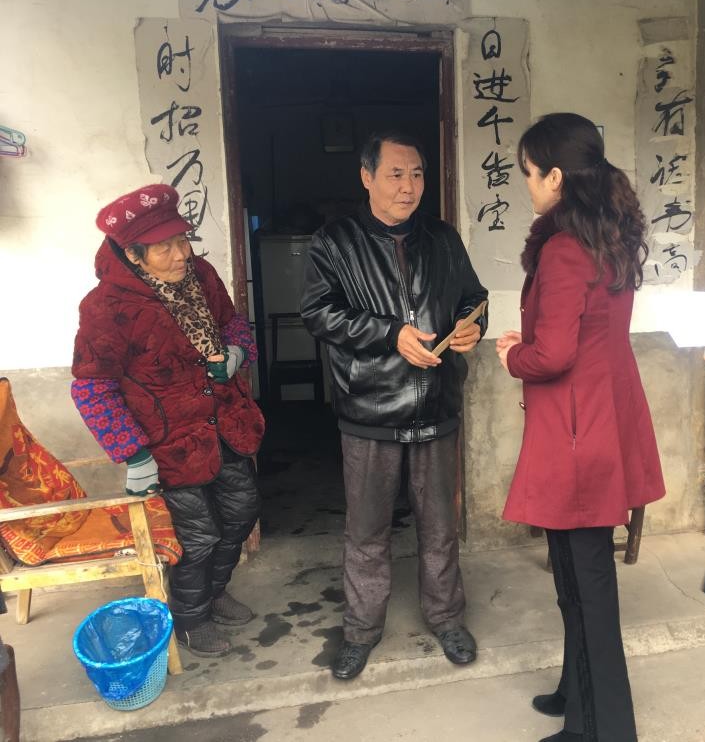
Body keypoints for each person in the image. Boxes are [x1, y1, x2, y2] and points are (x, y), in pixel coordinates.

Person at [496, 113, 667, 742]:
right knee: (573, 576)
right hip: (598, 422)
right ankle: (577, 693)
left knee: (587, 585)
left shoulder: (566, 248)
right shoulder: (605, 236)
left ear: (556, 177)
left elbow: (554, 355)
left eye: (529, 173)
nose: (526, 184)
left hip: (576, 434)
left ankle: (603, 729)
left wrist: (512, 354)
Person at [300, 131, 488, 680]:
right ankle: (360, 630)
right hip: (370, 409)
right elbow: (318, 313)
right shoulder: (335, 242)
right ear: (367, 177)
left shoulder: (442, 238)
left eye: (417, 175)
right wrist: (390, 334)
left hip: (437, 405)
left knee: (440, 526)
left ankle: (447, 618)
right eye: (396, 175)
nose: (409, 187)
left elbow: (473, 297)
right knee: (366, 531)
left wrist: (472, 327)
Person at [72, 184, 265, 658]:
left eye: (183, 240)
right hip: (167, 443)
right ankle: (190, 619)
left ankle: (213, 593)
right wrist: (133, 454)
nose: (182, 254)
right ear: (134, 255)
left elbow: (233, 323)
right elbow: (92, 387)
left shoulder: (203, 275)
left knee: (242, 511)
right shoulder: (106, 307)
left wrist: (236, 353)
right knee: (197, 537)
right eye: (165, 248)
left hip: (225, 425)